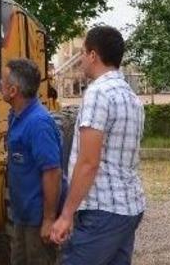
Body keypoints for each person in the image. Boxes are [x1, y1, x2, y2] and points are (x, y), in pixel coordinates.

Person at [49, 26, 145, 265]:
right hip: (129, 206)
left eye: (83, 53)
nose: (80, 59)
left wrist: (66, 214)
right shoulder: (131, 97)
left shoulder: (98, 93)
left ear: (93, 55)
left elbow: (89, 162)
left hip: (102, 210)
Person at [3, 58, 64, 265]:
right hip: (22, 217)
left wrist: (48, 220)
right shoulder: (15, 116)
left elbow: (52, 172)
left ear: (13, 90)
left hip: (37, 221)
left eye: (2, 82)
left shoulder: (39, 124)